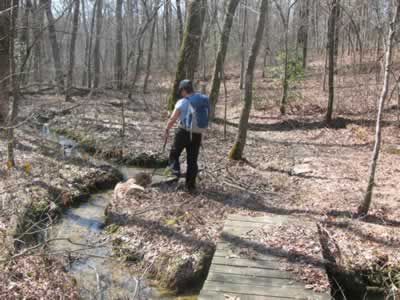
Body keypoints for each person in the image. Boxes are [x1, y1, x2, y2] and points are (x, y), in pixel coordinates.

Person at [165, 79, 210, 192]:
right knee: (192, 160)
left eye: (181, 90)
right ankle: (190, 186)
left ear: (184, 90)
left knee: (174, 154)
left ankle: (174, 176)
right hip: (197, 134)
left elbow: (173, 118)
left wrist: (167, 129)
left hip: (183, 132)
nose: (180, 93)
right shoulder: (202, 100)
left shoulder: (183, 102)